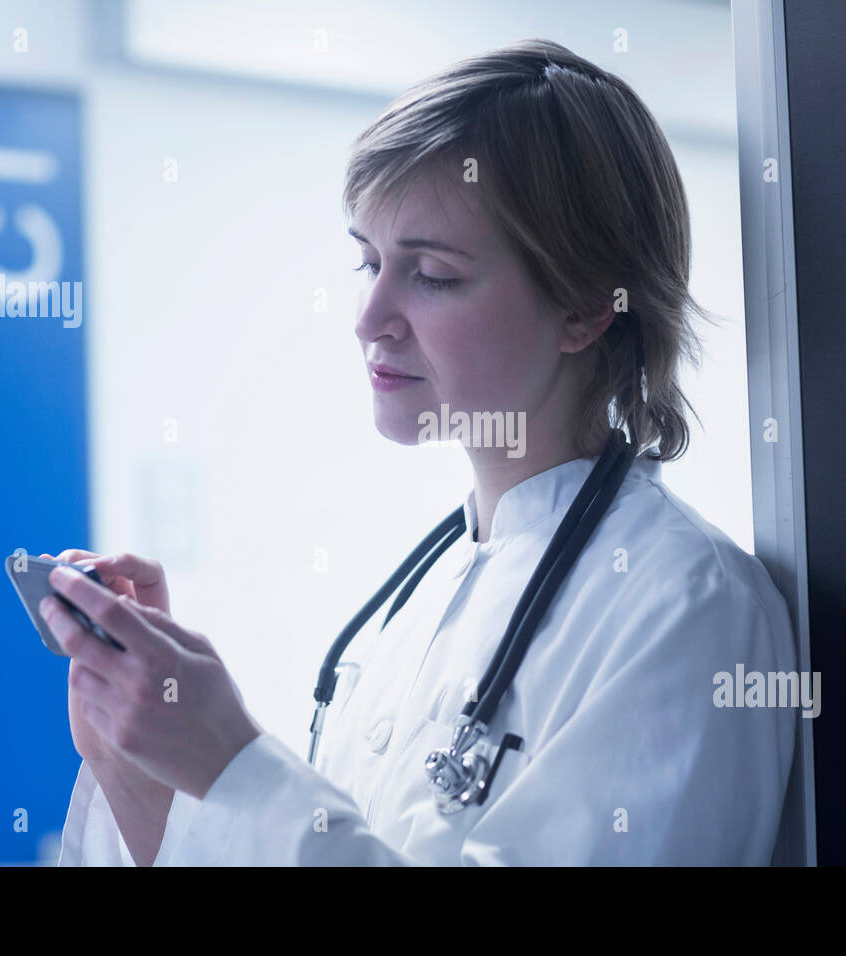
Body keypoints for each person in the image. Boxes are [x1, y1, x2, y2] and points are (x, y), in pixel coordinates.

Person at [46, 38, 797, 866]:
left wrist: (234, 765)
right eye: (368, 261)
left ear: (587, 306)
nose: (369, 317)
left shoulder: (686, 607)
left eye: (431, 273)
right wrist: (144, 762)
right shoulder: (417, 601)